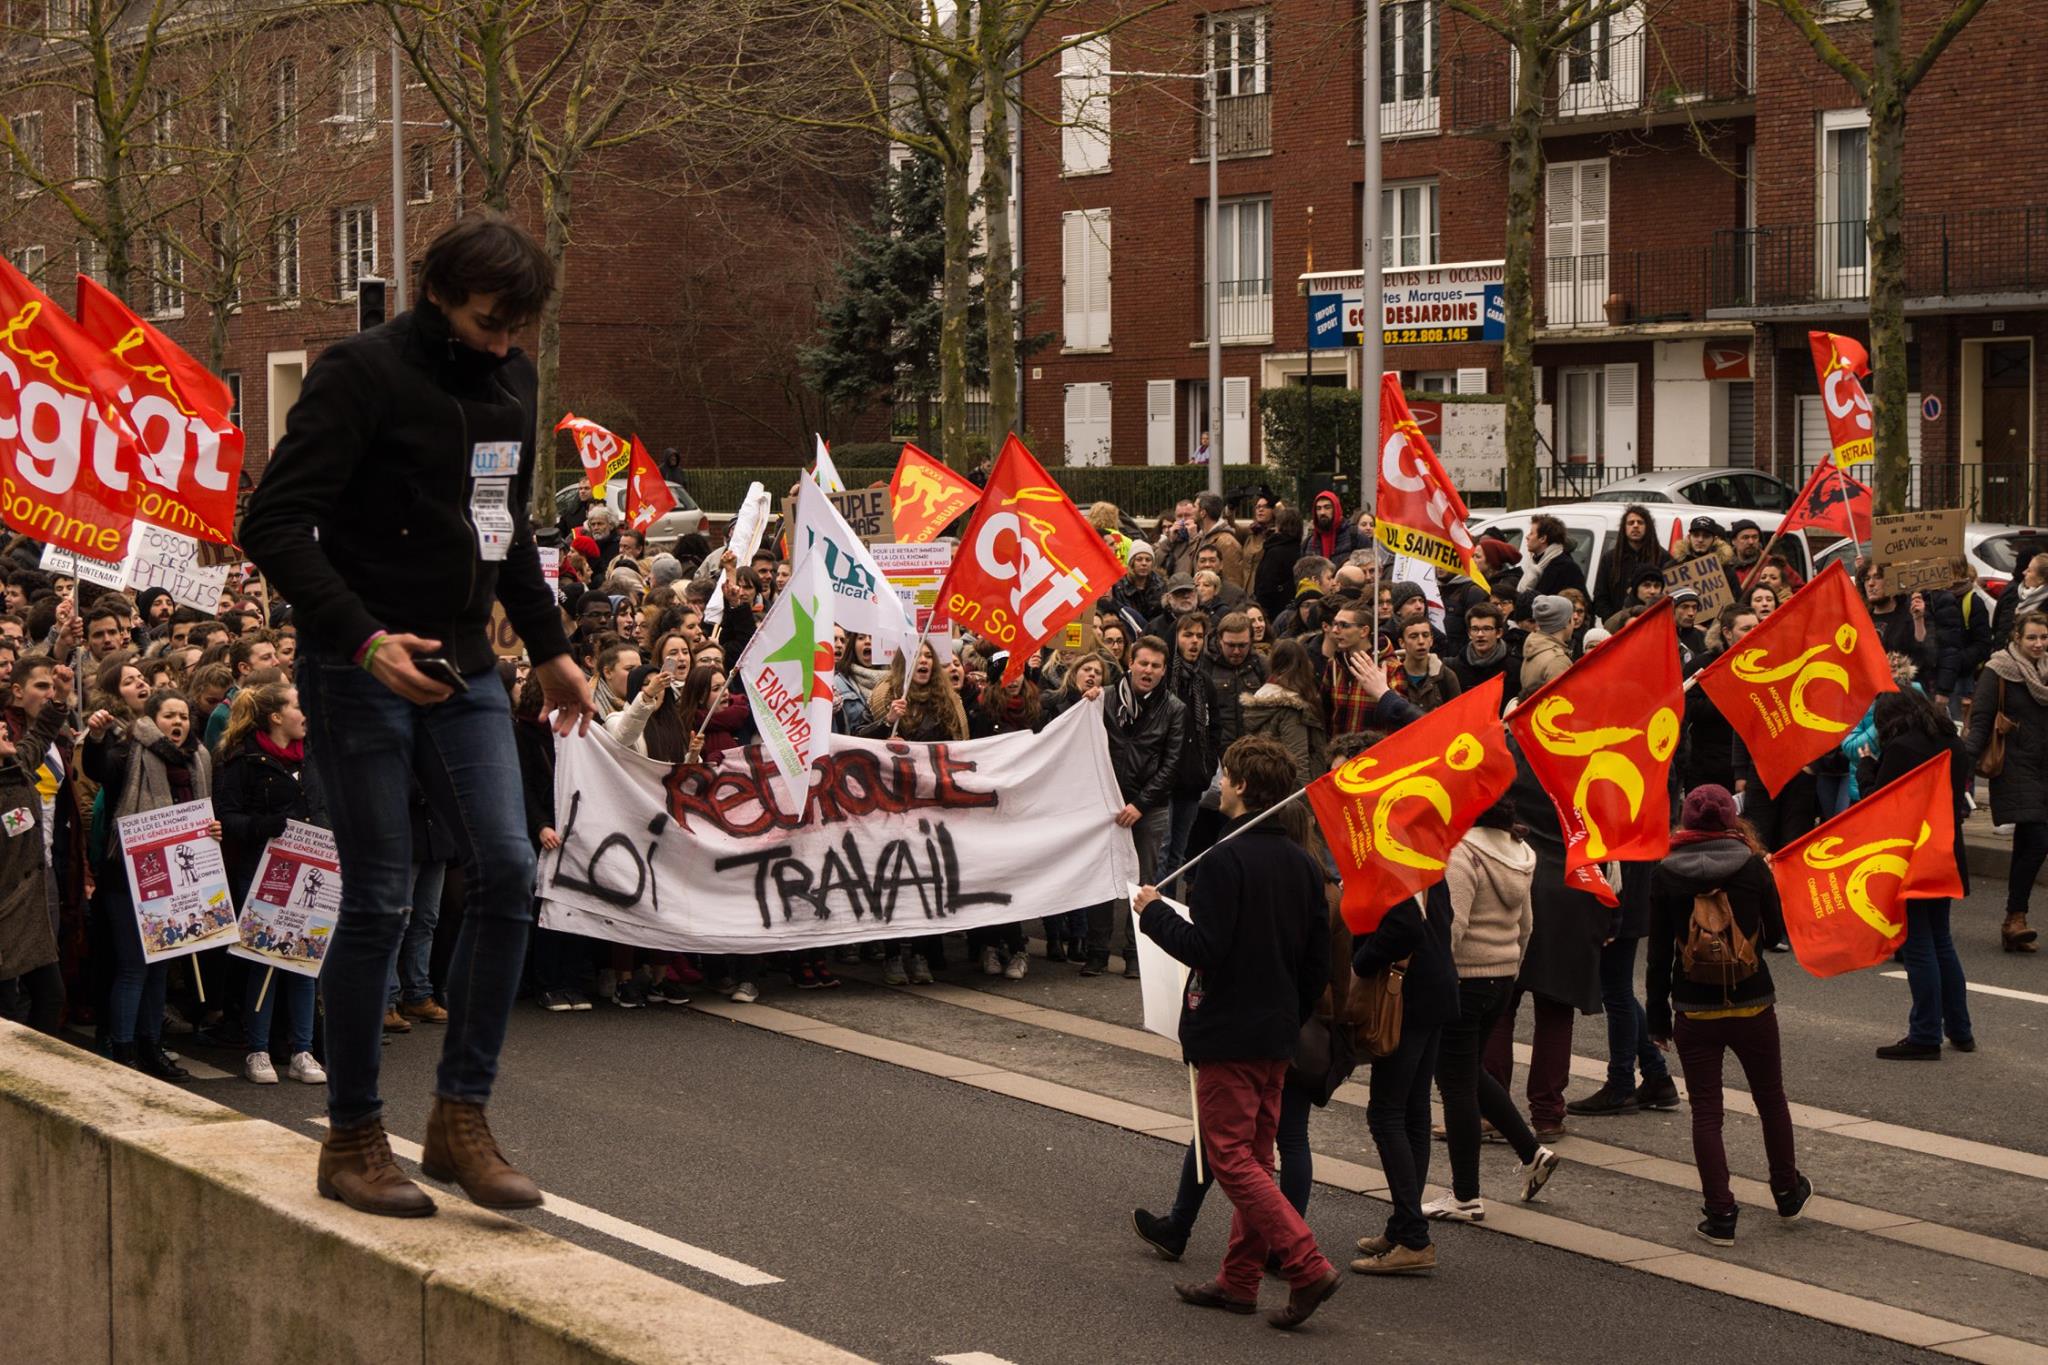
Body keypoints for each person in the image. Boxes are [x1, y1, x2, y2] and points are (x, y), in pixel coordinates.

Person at [240, 214, 596, 1219]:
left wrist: (552, 648)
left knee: (508, 870)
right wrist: (363, 640)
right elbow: (272, 522)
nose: (501, 343)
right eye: (486, 323)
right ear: (437, 293)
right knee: (380, 898)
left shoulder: (513, 380)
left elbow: (504, 526)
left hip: (467, 660)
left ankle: (459, 1117)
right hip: (358, 663)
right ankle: (353, 1135)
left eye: (516, 329)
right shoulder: (359, 373)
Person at [1134, 735, 1340, 1330]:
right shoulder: (1304, 864)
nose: (1219, 785)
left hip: (1229, 1029)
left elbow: (1206, 948)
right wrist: (1288, 1012)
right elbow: (1316, 963)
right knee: (1254, 1156)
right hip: (1276, 1032)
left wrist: (1154, 913)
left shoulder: (1226, 859)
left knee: (1228, 1156)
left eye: (1225, 776)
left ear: (1244, 786)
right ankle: (1240, 1279)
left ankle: (1306, 1263)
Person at [1646, 785, 1811, 1246]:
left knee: (1706, 1112)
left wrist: (1657, 1020)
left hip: (1694, 1010)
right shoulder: (1752, 867)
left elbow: (1658, 956)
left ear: (1686, 821)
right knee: (1770, 1099)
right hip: (1753, 1003)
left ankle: (1720, 1215)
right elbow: (1774, 934)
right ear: (1731, 821)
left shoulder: (1665, 873)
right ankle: (1786, 1191)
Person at [1430, 793, 1558, 1223]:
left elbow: (1454, 926)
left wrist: (1437, 978)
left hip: (1464, 978)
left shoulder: (1462, 853)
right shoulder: (1521, 853)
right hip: (1500, 977)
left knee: (1456, 1086)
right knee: (1469, 1073)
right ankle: (1531, 1151)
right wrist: (1510, 969)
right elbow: (1527, 924)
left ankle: (1466, 1195)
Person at [84, 688, 217, 1083]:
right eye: (169, 716)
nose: (178, 723)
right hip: (128, 876)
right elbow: (98, 769)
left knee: (160, 967)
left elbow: (203, 813)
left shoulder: (199, 758)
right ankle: (123, 1050)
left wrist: (212, 829)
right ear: (152, 720)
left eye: (183, 717)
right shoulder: (128, 753)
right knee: (134, 967)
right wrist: (95, 739)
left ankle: (151, 1046)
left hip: (176, 879)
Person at [214, 680, 328, 1087]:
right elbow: (227, 818)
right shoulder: (242, 761)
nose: (305, 714)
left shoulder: (313, 756)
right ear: (276, 716)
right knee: (264, 959)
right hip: (262, 871)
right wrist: (267, 826)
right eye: (298, 706)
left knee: (303, 960)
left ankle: (302, 1051)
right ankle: (258, 1049)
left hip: (310, 872)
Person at [1868, 690, 1975, 1058]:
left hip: (1913, 856)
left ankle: (1926, 1034)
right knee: (1941, 940)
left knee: (1918, 945)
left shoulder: (1902, 748)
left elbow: (1880, 804)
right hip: (1946, 853)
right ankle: (1960, 1030)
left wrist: (1867, 768)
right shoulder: (1951, 741)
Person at [1091, 637, 1185, 978]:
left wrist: (1140, 804)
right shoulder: (1104, 698)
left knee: (1144, 883)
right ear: (1130, 663)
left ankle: (1135, 953)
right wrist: (1083, 699)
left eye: (1156, 666)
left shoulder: (1174, 708)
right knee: (1102, 879)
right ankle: (1097, 952)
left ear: (1163, 671)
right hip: (1107, 804)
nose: (1148, 671)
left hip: (1149, 808)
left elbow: (1171, 765)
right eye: (1143, 663)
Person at [1967, 610, 2048, 954]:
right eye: (2032, 637)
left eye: (2044, 637)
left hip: (2044, 768)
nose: (2038, 644)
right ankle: (2015, 917)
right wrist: (1961, 766)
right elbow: (1981, 721)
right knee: (2039, 839)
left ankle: (2014, 921)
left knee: (2029, 843)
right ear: (2017, 637)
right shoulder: (1999, 670)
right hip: (2015, 767)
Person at [0, 656, 70, 1035]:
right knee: (6, 1006)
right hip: (4, 907)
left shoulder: (20, 765)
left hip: (30, 901)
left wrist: (58, 699)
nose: (4, 728)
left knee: (50, 995)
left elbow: (41, 733)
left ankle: (40, 1060)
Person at [1238, 639, 1327, 785]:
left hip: (1266, 784)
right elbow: (1298, 762)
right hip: (1291, 790)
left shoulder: (1260, 697)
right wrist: (1304, 797)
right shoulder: (1292, 708)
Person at [1594, 505, 1670, 619]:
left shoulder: (1663, 557)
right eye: (1631, 523)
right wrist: (1615, 621)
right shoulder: (1610, 559)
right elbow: (1600, 597)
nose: (1635, 526)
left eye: (1640, 522)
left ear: (1648, 527)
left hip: (1653, 622)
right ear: (1624, 528)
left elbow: (1669, 595)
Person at [1451, 602, 1519, 712]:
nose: (1480, 634)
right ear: (1469, 633)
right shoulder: (1454, 668)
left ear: (1499, 632)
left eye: (1486, 629)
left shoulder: (1515, 668)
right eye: (1475, 629)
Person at [1391, 615, 1461, 712]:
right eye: (1413, 636)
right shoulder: (1391, 675)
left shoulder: (1446, 676)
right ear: (1402, 642)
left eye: (1425, 635)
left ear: (1431, 640)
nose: (1421, 641)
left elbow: (1457, 714)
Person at [1519, 515, 1586, 607]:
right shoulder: (1535, 563)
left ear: (1543, 538)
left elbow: (1581, 603)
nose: (1527, 537)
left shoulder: (1567, 568)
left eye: (1531, 533)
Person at [1518, 595, 1574, 700]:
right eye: (1572, 618)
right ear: (1566, 622)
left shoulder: (1535, 647)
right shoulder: (1557, 661)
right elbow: (1562, 702)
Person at [1253, 508, 1304, 623]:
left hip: (1272, 612)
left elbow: (1265, 585)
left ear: (1279, 525)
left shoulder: (1274, 551)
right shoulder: (1301, 550)